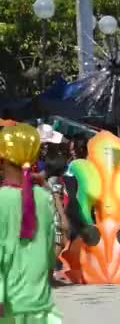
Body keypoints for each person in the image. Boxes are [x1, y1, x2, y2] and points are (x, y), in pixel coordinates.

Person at [0, 123, 62, 322]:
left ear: (2, 160)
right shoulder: (43, 198)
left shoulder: (2, 199)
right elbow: (49, 250)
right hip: (40, 302)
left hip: (10, 304)